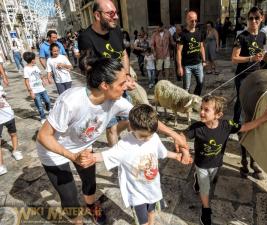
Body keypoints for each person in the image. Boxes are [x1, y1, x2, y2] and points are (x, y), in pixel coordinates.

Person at [36, 56, 189, 224]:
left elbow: (148, 119)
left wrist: (174, 135)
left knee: (89, 182)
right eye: (122, 83)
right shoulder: (71, 101)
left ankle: (91, 205)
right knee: (69, 197)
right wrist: (72, 156)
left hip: (83, 146)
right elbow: (43, 136)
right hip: (54, 151)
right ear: (104, 85)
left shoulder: (117, 101)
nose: (127, 87)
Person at [78, 104, 189, 225]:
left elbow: (162, 152)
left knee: (152, 212)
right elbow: (107, 155)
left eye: (150, 135)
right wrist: (92, 158)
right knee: (143, 221)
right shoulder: (125, 145)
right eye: (143, 136)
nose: (147, 138)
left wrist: (176, 156)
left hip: (153, 188)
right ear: (130, 127)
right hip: (137, 194)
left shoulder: (154, 137)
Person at [182, 95, 267, 225]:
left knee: (209, 180)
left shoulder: (226, 125)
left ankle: (197, 179)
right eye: (201, 108)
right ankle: (206, 210)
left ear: (218, 115)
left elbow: (245, 127)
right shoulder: (197, 127)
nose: (201, 112)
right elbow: (181, 136)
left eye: (206, 110)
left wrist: (263, 118)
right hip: (201, 164)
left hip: (216, 164)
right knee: (205, 188)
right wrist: (185, 151)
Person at [231, 6, 267, 179]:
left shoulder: (262, 36)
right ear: (247, 20)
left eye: (256, 18)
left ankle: (254, 157)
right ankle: (244, 154)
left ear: (261, 19)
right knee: (245, 114)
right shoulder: (241, 37)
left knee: (258, 113)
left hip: (258, 77)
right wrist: (251, 58)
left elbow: (263, 57)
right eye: (250, 18)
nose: (253, 21)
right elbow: (234, 58)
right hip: (243, 79)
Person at [78, 0, 131, 151]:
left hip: (121, 86)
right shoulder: (85, 37)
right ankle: (116, 156)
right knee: (111, 128)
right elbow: (86, 68)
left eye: (116, 13)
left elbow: (123, 55)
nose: (115, 17)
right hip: (102, 92)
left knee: (131, 119)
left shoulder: (116, 31)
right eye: (110, 13)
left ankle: (128, 147)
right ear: (97, 15)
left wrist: (126, 76)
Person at [177, 11, 206, 96]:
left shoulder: (199, 32)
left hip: (198, 63)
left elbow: (201, 47)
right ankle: (185, 105)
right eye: (192, 20)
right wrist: (179, 67)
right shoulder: (182, 35)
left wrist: (204, 60)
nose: (194, 23)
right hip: (187, 66)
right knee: (186, 88)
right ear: (187, 20)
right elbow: (178, 51)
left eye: (196, 20)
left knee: (200, 83)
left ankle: (195, 99)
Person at [0, 86, 23, 176]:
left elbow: (3, 96)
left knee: (13, 134)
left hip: (8, 115)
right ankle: (1, 166)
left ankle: (15, 151)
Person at [23, 52, 51, 124]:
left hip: (42, 89)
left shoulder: (35, 67)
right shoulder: (26, 69)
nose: (35, 60)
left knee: (47, 101)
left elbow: (40, 74)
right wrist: (30, 91)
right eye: (34, 59)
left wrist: (44, 80)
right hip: (35, 91)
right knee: (40, 106)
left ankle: (48, 108)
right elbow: (26, 81)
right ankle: (43, 117)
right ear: (32, 60)